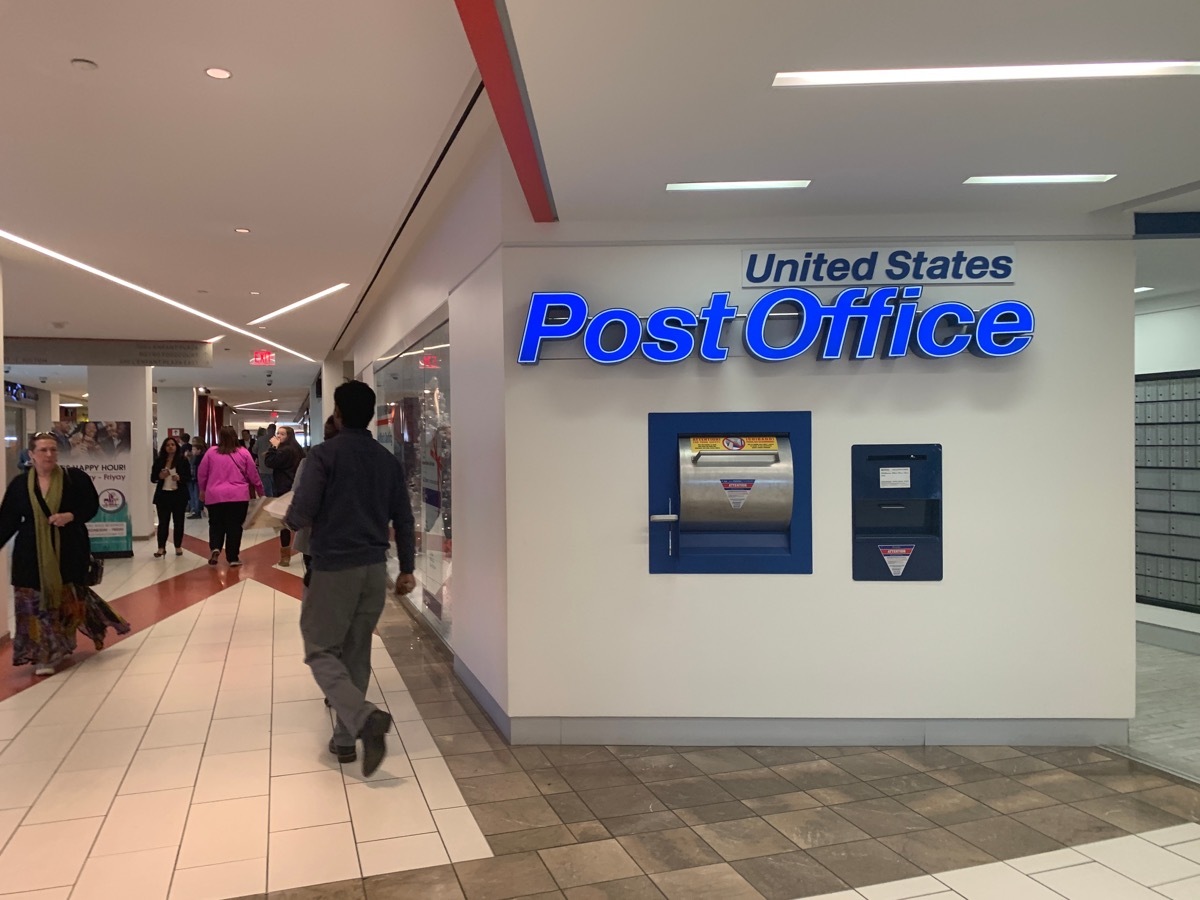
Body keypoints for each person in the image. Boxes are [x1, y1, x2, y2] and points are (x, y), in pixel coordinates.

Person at [285, 381, 415, 776]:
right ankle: (345, 739)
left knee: (321, 649)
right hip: (374, 569)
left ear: (338, 414)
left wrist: (283, 517)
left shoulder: (324, 456)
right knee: (357, 651)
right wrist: (407, 568)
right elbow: (404, 519)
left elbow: (301, 512)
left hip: (334, 568)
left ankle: (363, 718)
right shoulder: (387, 461)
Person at [0, 432, 129, 675]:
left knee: (68, 602)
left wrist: (70, 516)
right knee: (33, 604)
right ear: (31, 455)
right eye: (43, 450)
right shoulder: (20, 485)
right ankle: (44, 655)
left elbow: (91, 505)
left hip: (69, 550)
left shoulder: (74, 479)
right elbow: (7, 520)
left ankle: (72, 638)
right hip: (31, 554)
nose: (49, 455)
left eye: (52, 450)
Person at [197, 425, 263, 567]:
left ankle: (215, 547)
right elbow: (253, 475)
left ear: (220, 437)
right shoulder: (243, 453)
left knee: (215, 524)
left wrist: (202, 490)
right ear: (235, 437)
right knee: (234, 526)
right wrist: (260, 491)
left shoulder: (211, 452)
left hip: (214, 495)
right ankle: (232, 557)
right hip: (238, 496)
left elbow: (202, 473)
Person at [266, 425, 304, 566]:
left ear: (289, 436)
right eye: (278, 433)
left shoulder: (284, 450)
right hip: (298, 489)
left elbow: (269, 462)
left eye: (282, 434)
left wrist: (273, 447)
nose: (278, 437)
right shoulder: (298, 449)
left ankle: (285, 557)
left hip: (284, 490)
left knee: (283, 524)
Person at [151, 436, 191, 557]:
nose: (170, 447)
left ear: (176, 446)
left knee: (178, 522)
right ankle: (161, 547)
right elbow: (153, 478)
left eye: (172, 444)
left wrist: (180, 478)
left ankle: (178, 546)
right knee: (163, 522)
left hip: (178, 495)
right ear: (164, 447)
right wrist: (160, 476)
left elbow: (188, 477)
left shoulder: (183, 460)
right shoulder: (159, 461)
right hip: (163, 496)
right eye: (168, 445)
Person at [187, 437, 207, 518]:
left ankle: (197, 510)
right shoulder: (200, 457)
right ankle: (196, 509)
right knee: (195, 494)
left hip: (197, 479)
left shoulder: (198, 458)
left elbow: (193, 465)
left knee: (196, 495)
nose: (192, 451)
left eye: (194, 449)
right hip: (195, 479)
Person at [255, 426, 274, 497]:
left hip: (263, 466)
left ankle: (268, 501)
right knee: (273, 485)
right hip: (274, 466)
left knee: (266, 486)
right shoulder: (275, 439)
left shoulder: (259, 440)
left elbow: (254, 450)